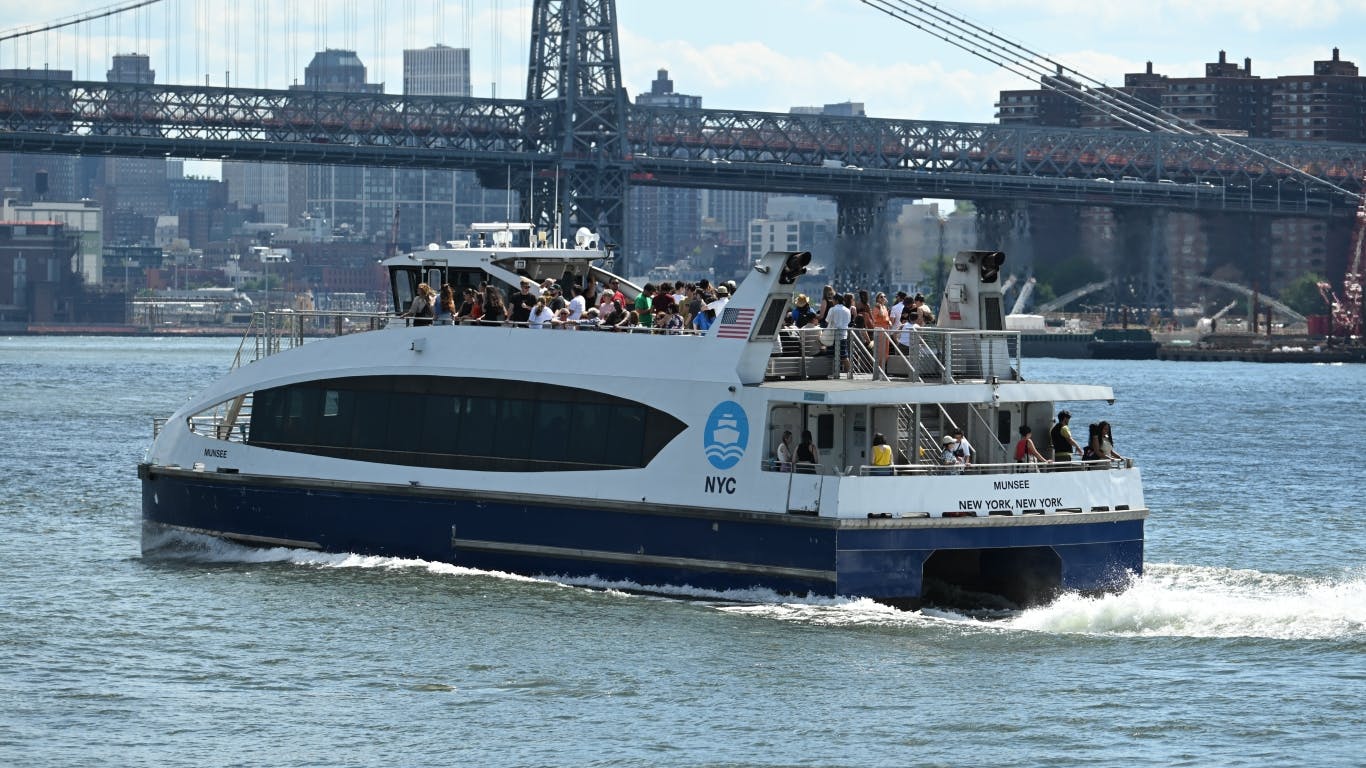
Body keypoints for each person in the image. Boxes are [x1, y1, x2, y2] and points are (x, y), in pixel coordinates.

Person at [826, 293, 853, 378]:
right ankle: (849, 372)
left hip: (833, 335)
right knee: (844, 355)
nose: (832, 301)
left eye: (833, 300)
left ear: (836, 300)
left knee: (832, 354)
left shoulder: (832, 309)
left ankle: (833, 372)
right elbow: (848, 321)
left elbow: (827, 320)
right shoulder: (847, 310)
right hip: (843, 335)